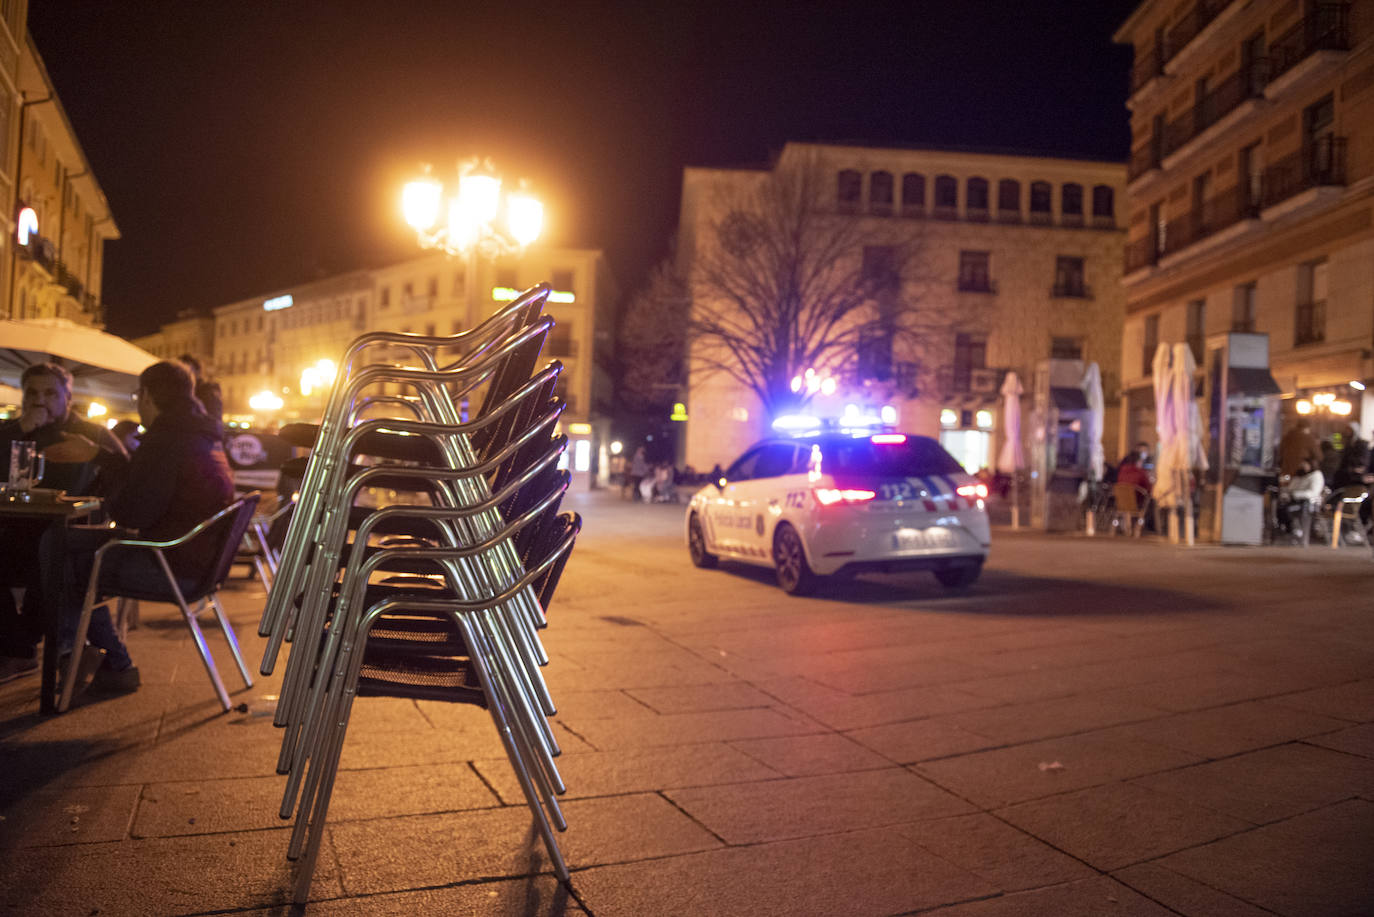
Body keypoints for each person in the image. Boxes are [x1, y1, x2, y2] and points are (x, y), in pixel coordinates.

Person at [41, 360, 236, 695]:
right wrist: (103, 457)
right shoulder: (199, 435)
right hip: (197, 562)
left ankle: (86, 657)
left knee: (60, 552)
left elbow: (133, 513)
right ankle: (92, 658)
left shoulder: (166, 439)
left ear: (146, 395)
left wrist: (107, 485)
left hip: (169, 565)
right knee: (67, 549)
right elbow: (152, 488)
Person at [0, 364, 128, 683]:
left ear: (68, 397)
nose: (40, 400)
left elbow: (125, 475)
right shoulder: (14, 431)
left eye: (50, 393)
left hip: (68, 536)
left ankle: (21, 649)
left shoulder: (92, 434)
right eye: (32, 393)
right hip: (13, 529)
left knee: (50, 567)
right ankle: (20, 647)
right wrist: (19, 429)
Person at [1278, 459, 1324, 543]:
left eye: (1305, 464)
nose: (1303, 466)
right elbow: (1291, 488)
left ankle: (1297, 531)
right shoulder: (1299, 475)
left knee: (1288, 510)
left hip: (1308, 502)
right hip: (1294, 500)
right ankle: (1291, 530)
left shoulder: (1316, 475)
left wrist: (1296, 494)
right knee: (1280, 509)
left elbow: (1313, 492)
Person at [178, 353, 224, 432]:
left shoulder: (209, 392)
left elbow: (213, 420)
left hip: (199, 438)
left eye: (187, 370)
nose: (183, 374)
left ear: (197, 371)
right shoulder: (179, 391)